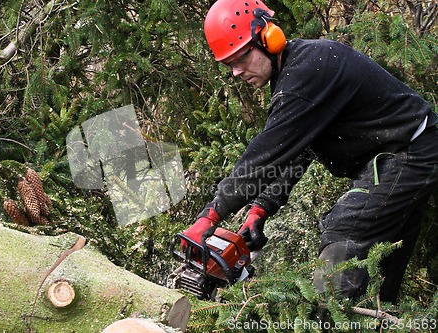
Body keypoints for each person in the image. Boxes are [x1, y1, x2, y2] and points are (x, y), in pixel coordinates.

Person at [182, 0, 438, 303]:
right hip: (405, 153)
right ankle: (377, 316)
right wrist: (261, 207)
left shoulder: (306, 74)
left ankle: (330, 318)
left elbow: (265, 154)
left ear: (268, 38)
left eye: (240, 59)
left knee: (346, 231)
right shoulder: (295, 74)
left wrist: (210, 216)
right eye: (229, 65)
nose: (236, 72)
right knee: (379, 270)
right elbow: (298, 150)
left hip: (409, 153)